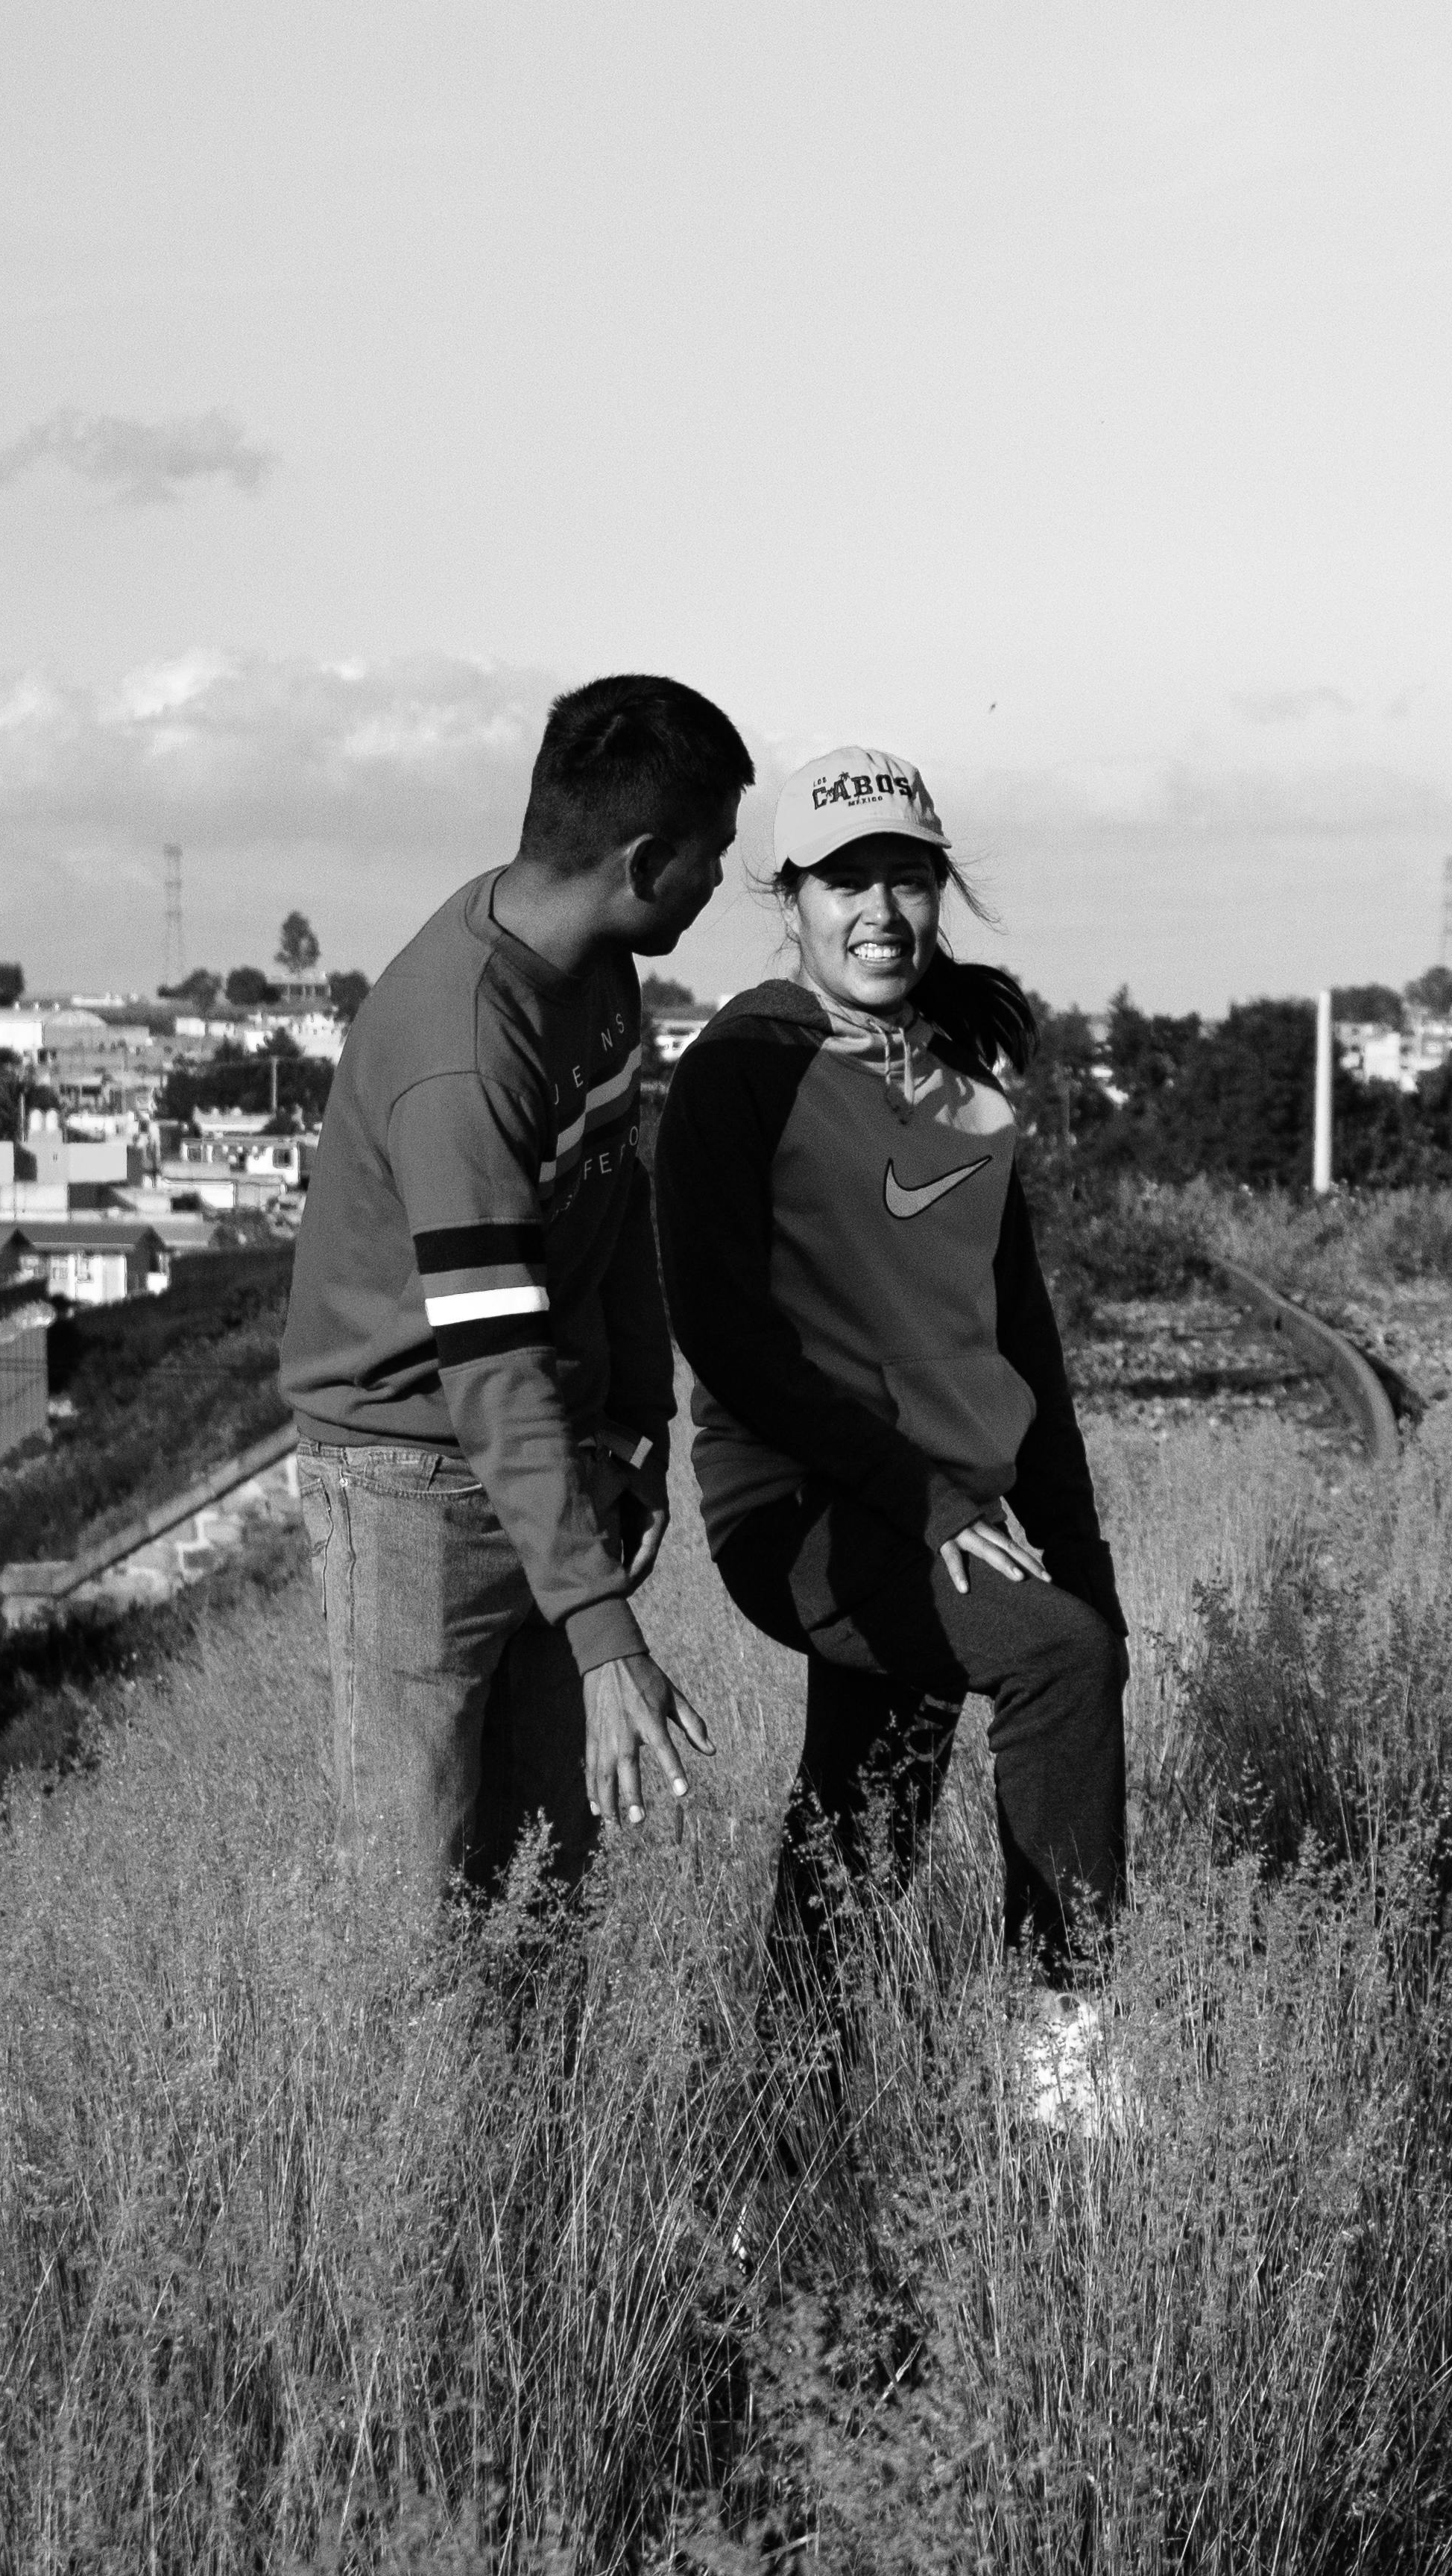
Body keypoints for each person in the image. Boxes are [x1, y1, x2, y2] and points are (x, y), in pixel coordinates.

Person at [653, 747, 1129, 2121]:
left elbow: (1018, 1344)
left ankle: (768, 2154)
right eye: (845, 879)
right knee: (1053, 1659)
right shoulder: (742, 1071)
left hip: (947, 1512)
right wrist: (928, 1508)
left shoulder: (963, 1086)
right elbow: (727, 1336)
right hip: (807, 1512)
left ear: (942, 896)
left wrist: (1074, 1547)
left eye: (908, 880)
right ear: (788, 898)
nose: (880, 909)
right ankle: (1070, 2096)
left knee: (854, 1843)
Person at [280, 674, 746, 1902]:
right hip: (407, 1497)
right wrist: (606, 1636)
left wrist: (639, 1427)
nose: (720, 888)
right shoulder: (464, 1046)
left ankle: (538, 2107)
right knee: (411, 1909)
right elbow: (486, 1363)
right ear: (647, 861)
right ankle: (401, 2108)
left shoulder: (594, 968)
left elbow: (614, 1199)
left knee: (543, 1902)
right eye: (712, 858)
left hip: (548, 1455)